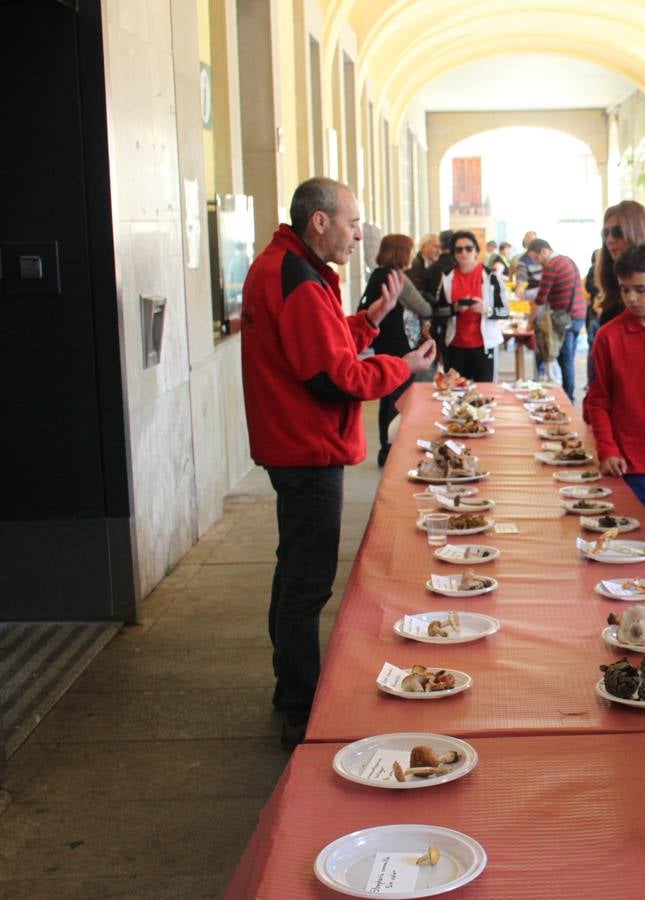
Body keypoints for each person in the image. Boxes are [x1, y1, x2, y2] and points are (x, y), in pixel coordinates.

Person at [241, 177, 437, 749]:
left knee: (293, 570)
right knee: (306, 583)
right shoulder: (296, 278)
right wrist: (401, 367)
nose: (359, 234)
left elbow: (323, 343)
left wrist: (371, 320)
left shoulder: (289, 267)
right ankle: (301, 706)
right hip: (306, 447)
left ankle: (290, 687)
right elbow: (332, 378)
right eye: (352, 222)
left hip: (293, 443)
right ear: (320, 221)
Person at [582, 242, 645, 548]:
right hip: (630, 463)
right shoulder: (608, 336)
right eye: (625, 290)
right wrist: (608, 449)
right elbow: (598, 400)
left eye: (641, 289)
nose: (632, 298)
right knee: (639, 545)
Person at [357, 234, 434, 467]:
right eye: (410, 250)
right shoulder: (396, 277)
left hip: (384, 343)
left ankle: (387, 448)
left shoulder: (378, 275)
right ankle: (392, 448)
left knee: (389, 398)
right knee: (397, 400)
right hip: (398, 346)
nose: (412, 255)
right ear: (401, 252)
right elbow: (424, 308)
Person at [439, 230, 510, 382]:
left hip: (484, 344)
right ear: (453, 253)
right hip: (455, 345)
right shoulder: (447, 276)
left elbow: (505, 311)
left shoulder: (491, 277)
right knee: (455, 393)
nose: (464, 253)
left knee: (485, 393)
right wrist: (454, 308)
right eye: (458, 249)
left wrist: (486, 310)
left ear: (476, 251)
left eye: (468, 248)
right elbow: (438, 311)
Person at [527, 238, 588, 401]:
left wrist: (529, 323)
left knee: (564, 359)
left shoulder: (551, 266)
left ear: (544, 252)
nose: (537, 262)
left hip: (565, 319)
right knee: (568, 358)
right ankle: (568, 396)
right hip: (579, 314)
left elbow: (540, 299)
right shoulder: (567, 260)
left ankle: (568, 399)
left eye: (536, 258)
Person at [595, 200, 645, 330]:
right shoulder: (610, 289)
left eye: (617, 232)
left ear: (637, 231)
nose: (609, 239)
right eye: (606, 233)